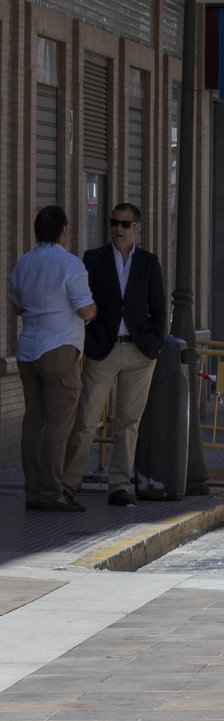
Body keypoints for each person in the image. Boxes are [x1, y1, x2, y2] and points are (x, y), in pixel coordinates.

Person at [62, 203, 168, 508]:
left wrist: (156, 343)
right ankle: (68, 484)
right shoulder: (93, 258)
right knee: (86, 420)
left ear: (137, 228)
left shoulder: (148, 262)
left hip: (139, 352)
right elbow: (83, 300)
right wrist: (89, 340)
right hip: (102, 351)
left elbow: (158, 307)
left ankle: (119, 486)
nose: (118, 229)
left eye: (125, 224)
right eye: (114, 223)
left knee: (129, 422)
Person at [8, 206, 96, 512]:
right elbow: (85, 310)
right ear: (63, 231)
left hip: (27, 351)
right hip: (60, 348)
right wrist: (94, 311)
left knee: (33, 423)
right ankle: (52, 492)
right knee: (58, 425)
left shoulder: (23, 263)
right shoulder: (70, 264)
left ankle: (33, 492)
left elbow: (18, 308)